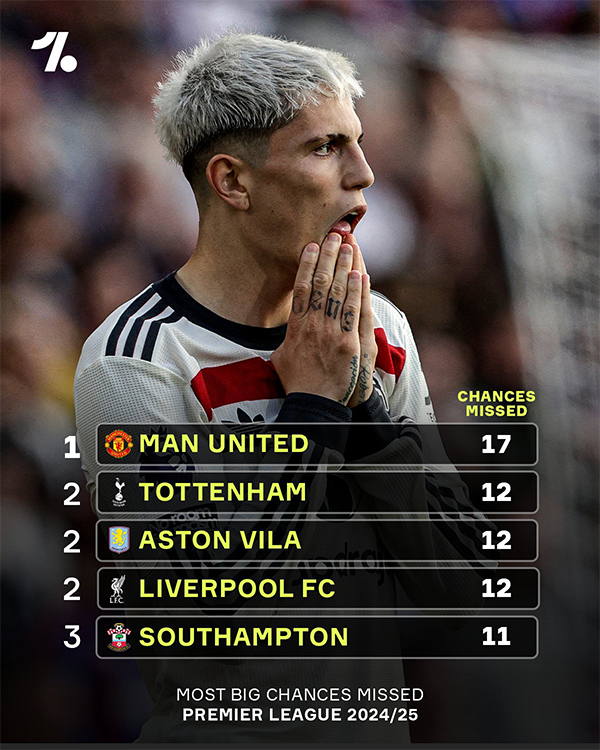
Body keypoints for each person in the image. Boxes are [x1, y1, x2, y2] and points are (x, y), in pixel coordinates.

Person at [74, 32, 488, 744]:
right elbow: (220, 625)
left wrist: (366, 411)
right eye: (325, 147)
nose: (364, 175)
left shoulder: (379, 329)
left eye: (358, 144)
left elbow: (465, 590)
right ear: (233, 182)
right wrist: (314, 408)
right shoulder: (134, 362)